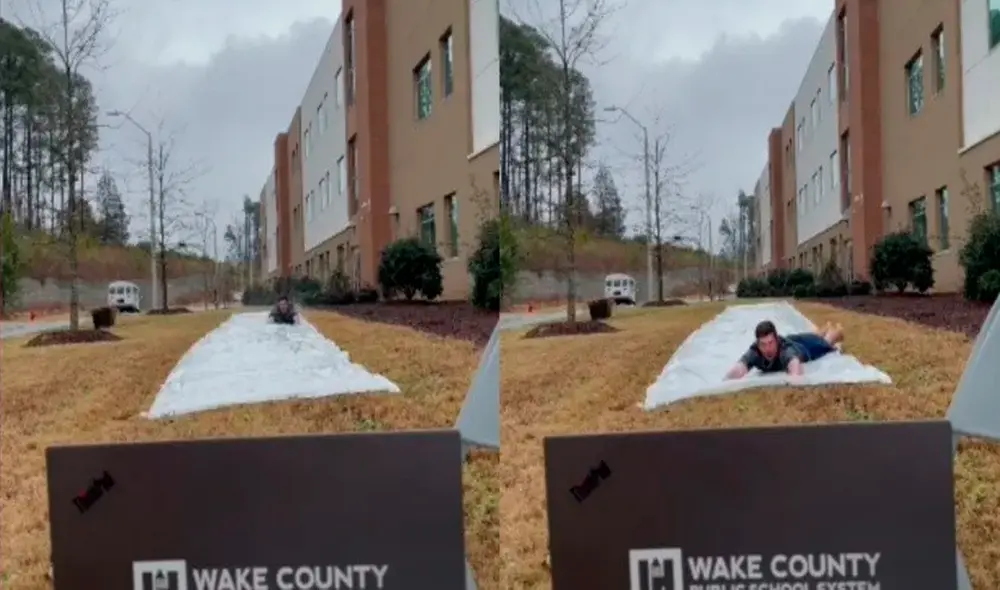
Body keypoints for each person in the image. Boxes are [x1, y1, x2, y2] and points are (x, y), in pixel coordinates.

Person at [724, 319, 843, 379]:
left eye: (771, 343)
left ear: (776, 340)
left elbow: (794, 365)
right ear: (758, 344)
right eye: (763, 344)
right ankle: (823, 330)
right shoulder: (755, 352)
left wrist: (795, 377)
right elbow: (739, 368)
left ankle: (833, 330)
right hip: (791, 340)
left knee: (827, 342)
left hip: (804, 348)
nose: (768, 349)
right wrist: (725, 381)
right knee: (814, 337)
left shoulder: (786, 351)